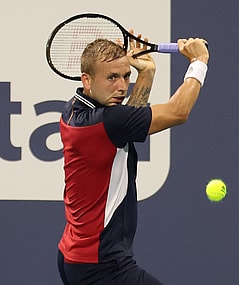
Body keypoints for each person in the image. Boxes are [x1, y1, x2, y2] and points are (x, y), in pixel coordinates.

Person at [57, 30, 209, 285]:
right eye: (112, 77)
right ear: (87, 79)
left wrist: (146, 74)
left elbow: (128, 124)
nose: (121, 86)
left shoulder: (74, 108)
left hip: (77, 257)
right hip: (102, 264)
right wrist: (199, 62)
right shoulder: (108, 121)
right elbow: (178, 112)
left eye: (126, 76)